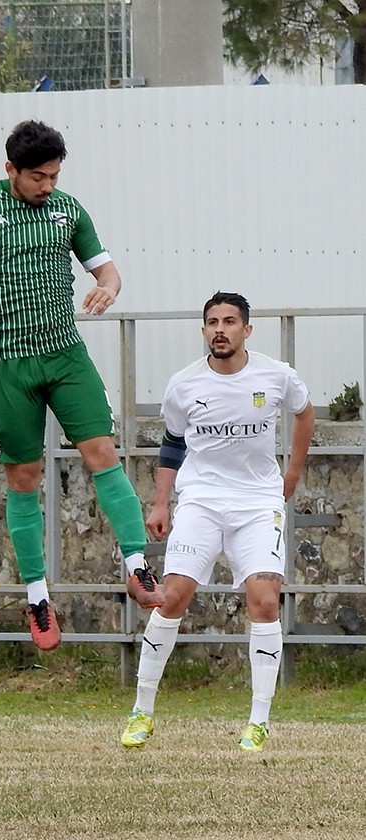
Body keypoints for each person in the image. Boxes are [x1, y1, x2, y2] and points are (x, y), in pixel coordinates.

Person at [0, 119, 161, 652]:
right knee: (24, 477)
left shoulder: (68, 210)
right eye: (38, 177)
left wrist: (108, 288)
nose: (47, 186)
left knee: (102, 452)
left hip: (65, 354)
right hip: (9, 361)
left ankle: (138, 565)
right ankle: (38, 598)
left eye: (54, 176)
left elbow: (107, 271)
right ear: (11, 170)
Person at [121, 292, 313, 752]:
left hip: (257, 503)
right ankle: (142, 711)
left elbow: (305, 413)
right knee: (171, 597)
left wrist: (292, 473)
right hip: (201, 500)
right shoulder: (184, 384)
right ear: (204, 330)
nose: (220, 330)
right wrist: (161, 502)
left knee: (265, 601)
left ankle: (258, 721)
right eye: (212, 322)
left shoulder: (276, 375)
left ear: (247, 329)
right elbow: (172, 442)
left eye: (229, 321)